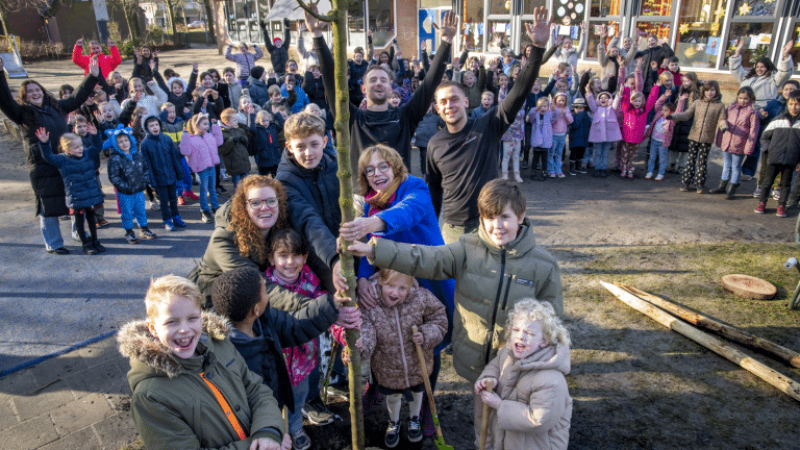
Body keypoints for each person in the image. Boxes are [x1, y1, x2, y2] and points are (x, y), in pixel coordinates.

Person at [348, 178, 563, 447]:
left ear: (521, 215)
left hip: (521, 368)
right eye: (489, 217)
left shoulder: (543, 266)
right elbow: (423, 258)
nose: (497, 226)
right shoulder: (466, 250)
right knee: (483, 427)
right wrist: (374, 250)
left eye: (505, 217)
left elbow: (553, 324)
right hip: (479, 365)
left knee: (518, 430)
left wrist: (543, 363)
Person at [187, 175, 343, 425]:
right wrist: (320, 308)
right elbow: (264, 287)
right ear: (243, 206)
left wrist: (337, 284)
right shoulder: (224, 240)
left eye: (271, 200)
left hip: (254, 301)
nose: (264, 207)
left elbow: (309, 256)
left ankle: (293, 410)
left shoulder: (277, 227)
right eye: (255, 202)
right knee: (243, 368)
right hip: (217, 305)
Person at [339, 144, 456, 436]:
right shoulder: (371, 204)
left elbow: (407, 213)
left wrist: (376, 220)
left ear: (395, 167)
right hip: (391, 285)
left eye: (383, 167)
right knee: (384, 337)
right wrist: (364, 278)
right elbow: (369, 245)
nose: (376, 174)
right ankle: (378, 387)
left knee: (428, 341)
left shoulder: (414, 188)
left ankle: (427, 404)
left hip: (427, 282)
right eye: (369, 169)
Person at [117, 275, 288, 450]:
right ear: (153, 328)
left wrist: (268, 429)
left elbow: (255, 389)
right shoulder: (150, 396)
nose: (184, 329)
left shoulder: (220, 344)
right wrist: (260, 446)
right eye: (171, 322)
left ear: (201, 316)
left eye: (192, 318)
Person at [426, 7, 549, 244]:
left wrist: (538, 50)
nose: (449, 105)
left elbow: (520, 90)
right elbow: (434, 192)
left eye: (454, 99)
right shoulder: (434, 144)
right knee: (455, 282)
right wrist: (431, 230)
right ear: (437, 109)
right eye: (443, 102)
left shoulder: (488, 125)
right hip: (454, 230)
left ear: (465, 101)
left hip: (490, 224)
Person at [212, 266, 357, 450]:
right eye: (266, 292)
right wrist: (273, 432)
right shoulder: (226, 358)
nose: (270, 294)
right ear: (255, 309)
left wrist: (330, 306)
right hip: (250, 430)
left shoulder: (264, 318)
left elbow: (296, 326)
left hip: (273, 404)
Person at [306, 7, 457, 176]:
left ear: (391, 87)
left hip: (398, 197)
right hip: (364, 199)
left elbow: (429, 85)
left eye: (383, 80)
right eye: (373, 80)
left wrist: (446, 42)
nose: (378, 83)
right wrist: (318, 37)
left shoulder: (406, 116)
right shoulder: (354, 119)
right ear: (363, 89)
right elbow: (333, 84)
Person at [0, 57, 100, 254]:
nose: (34, 93)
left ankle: (78, 234)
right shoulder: (21, 113)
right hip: (42, 164)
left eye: (37, 90)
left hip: (66, 160)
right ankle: (53, 243)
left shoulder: (56, 107)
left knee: (75, 198)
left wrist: (92, 75)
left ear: (43, 92)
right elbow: (4, 99)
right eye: (30, 92)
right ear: (25, 96)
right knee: (48, 203)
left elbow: (77, 97)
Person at [341, 269, 447, 448]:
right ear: (381, 281)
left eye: (402, 288)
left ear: (410, 285)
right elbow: (366, 331)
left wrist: (425, 334)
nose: (395, 293)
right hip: (388, 366)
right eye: (390, 286)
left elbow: (439, 319)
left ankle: (414, 419)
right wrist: (360, 346)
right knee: (393, 396)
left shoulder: (421, 297)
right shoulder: (369, 304)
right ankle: (394, 422)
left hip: (417, 362)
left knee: (417, 392)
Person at [475, 298, 572, 450]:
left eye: (529, 332)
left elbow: (538, 420)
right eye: (516, 330)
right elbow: (495, 365)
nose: (520, 336)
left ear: (544, 341)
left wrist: (500, 406)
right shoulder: (507, 353)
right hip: (510, 439)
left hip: (537, 444)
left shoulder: (551, 380)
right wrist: (490, 377)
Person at [276, 113, 343, 292]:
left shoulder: (336, 167)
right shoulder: (285, 181)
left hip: (347, 248)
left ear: (325, 141)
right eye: (300, 146)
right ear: (289, 147)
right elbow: (308, 222)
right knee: (342, 301)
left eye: (314, 144)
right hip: (318, 259)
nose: (309, 153)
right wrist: (335, 259)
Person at [35, 127, 106, 255]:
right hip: (76, 196)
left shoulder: (87, 153)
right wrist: (45, 143)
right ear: (67, 149)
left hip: (91, 194)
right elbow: (49, 157)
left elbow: (97, 147)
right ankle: (86, 244)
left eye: (80, 146)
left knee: (91, 219)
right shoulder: (62, 159)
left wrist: (96, 135)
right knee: (79, 221)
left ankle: (95, 241)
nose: (80, 149)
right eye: (76, 147)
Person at [667, 80, 727, 194]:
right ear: (703, 91)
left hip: (707, 138)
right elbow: (686, 114)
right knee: (691, 160)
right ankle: (686, 182)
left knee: (702, 162)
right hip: (694, 136)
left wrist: (724, 127)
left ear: (716, 91)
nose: (710, 93)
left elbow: (722, 119)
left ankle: (700, 184)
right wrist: (673, 116)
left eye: (712, 90)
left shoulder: (720, 106)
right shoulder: (697, 102)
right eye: (707, 90)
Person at [104, 126, 158, 244]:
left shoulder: (138, 155)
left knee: (140, 210)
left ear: (130, 141)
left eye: (126, 140)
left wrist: (145, 181)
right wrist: (124, 187)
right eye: (120, 142)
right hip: (125, 193)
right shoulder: (115, 159)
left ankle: (144, 229)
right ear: (115, 144)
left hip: (138, 189)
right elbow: (114, 177)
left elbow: (145, 169)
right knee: (127, 212)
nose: (124, 144)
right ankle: (129, 231)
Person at [754, 90, 800, 218]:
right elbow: (764, 137)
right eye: (791, 104)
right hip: (774, 158)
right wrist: (768, 150)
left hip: (791, 160)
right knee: (767, 182)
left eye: (797, 104)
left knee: (785, 184)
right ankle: (762, 202)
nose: (794, 107)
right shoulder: (778, 120)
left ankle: (781, 205)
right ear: (787, 104)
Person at [710, 87, 758, 199]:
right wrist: (720, 139)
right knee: (726, 165)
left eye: (745, 99)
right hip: (727, 140)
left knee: (736, 167)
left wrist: (749, 146)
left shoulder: (752, 112)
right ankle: (722, 186)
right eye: (740, 98)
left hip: (740, 142)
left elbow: (753, 131)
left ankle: (731, 189)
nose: (743, 100)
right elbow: (723, 122)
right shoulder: (730, 108)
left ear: (751, 98)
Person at [140, 115, 187, 231]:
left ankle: (176, 217)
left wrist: (179, 173)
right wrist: (151, 180)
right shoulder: (145, 144)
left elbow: (174, 157)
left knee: (173, 198)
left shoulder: (167, 139)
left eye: (156, 124)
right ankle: (167, 221)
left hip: (171, 175)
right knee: (164, 201)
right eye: (151, 126)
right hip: (158, 178)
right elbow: (147, 165)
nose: (154, 127)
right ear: (147, 128)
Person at [180, 113, 223, 223]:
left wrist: (215, 126)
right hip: (201, 169)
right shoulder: (190, 139)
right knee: (203, 191)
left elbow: (219, 141)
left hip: (211, 167)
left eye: (207, 124)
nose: (207, 126)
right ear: (196, 125)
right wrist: (184, 134)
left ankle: (215, 207)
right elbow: (185, 151)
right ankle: (204, 210)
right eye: (204, 124)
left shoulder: (209, 136)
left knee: (212, 189)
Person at [616, 81, 659, 179]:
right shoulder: (627, 109)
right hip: (626, 137)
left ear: (642, 102)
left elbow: (651, 100)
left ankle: (630, 170)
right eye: (635, 101)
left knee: (633, 155)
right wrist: (626, 88)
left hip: (637, 138)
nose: (637, 103)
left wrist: (656, 87)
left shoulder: (644, 110)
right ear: (631, 101)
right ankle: (623, 169)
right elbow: (625, 100)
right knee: (624, 154)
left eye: (639, 101)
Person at [219, 108, 253, 190]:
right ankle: (238, 201)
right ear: (226, 122)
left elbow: (246, 145)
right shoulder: (222, 133)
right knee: (238, 189)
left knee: (247, 187)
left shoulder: (240, 130)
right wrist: (231, 140)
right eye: (234, 120)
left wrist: (245, 140)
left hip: (245, 165)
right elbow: (222, 151)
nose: (236, 122)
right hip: (234, 168)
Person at [643, 99, 675, 181]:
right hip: (654, 140)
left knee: (662, 159)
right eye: (662, 110)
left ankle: (661, 174)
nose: (663, 112)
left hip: (662, 143)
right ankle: (650, 172)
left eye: (666, 110)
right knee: (652, 157)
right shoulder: (658, 116)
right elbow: (657, 104)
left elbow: (678, 111)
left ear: (671, 112)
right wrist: (665, 96)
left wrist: (681, 101)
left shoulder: (671, 120)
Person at [249, 108, 286, 177]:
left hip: (275, 156)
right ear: (258, 121)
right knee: (263, 177)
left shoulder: (273, 126)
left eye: (267, 120)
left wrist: (276, 114)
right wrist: (251, 115)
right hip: (263, 157)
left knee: (277, 176)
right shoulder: (257, 129)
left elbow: (282, 124)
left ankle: (276, 186)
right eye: (263, 121)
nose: (266, 123)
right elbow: (251, 129)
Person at [529, 97, 556, 181]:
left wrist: (553, 108)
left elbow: (556, 115)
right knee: (535, 158)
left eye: (545, 106)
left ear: (548, 107)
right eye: (540, 106)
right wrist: (535, 110)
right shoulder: (535, 114)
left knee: (544, 159)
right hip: (536, 141)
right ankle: (533, 172)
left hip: (545, 141)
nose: (543, 108)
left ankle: (544, 172)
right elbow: (530, 116)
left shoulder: (549, 114)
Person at [548, 93, 573, 178]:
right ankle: (550, 170)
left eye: (563, 100)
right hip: (553, 135)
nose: (561, 102)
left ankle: (558, 170)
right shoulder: (552, 109)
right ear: (555, 100)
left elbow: (571, 121)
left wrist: (565, 114)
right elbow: (550, 121)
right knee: (551, 153)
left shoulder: (566, 109)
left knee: (559, 153)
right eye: (559, 100)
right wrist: (557, 114)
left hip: (562, 135)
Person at [568, 98, 590, 175]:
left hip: (583, 139)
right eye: (577, 107)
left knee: (581, 154)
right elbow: (575, 125)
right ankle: (571, 168)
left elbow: (588, 126)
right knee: (573, 154)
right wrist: (581, 114)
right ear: (574, 108)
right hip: (575, 139)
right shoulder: (573, 115)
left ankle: (578, 167)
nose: (579, 110)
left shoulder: (586, 116)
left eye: (581, 108)